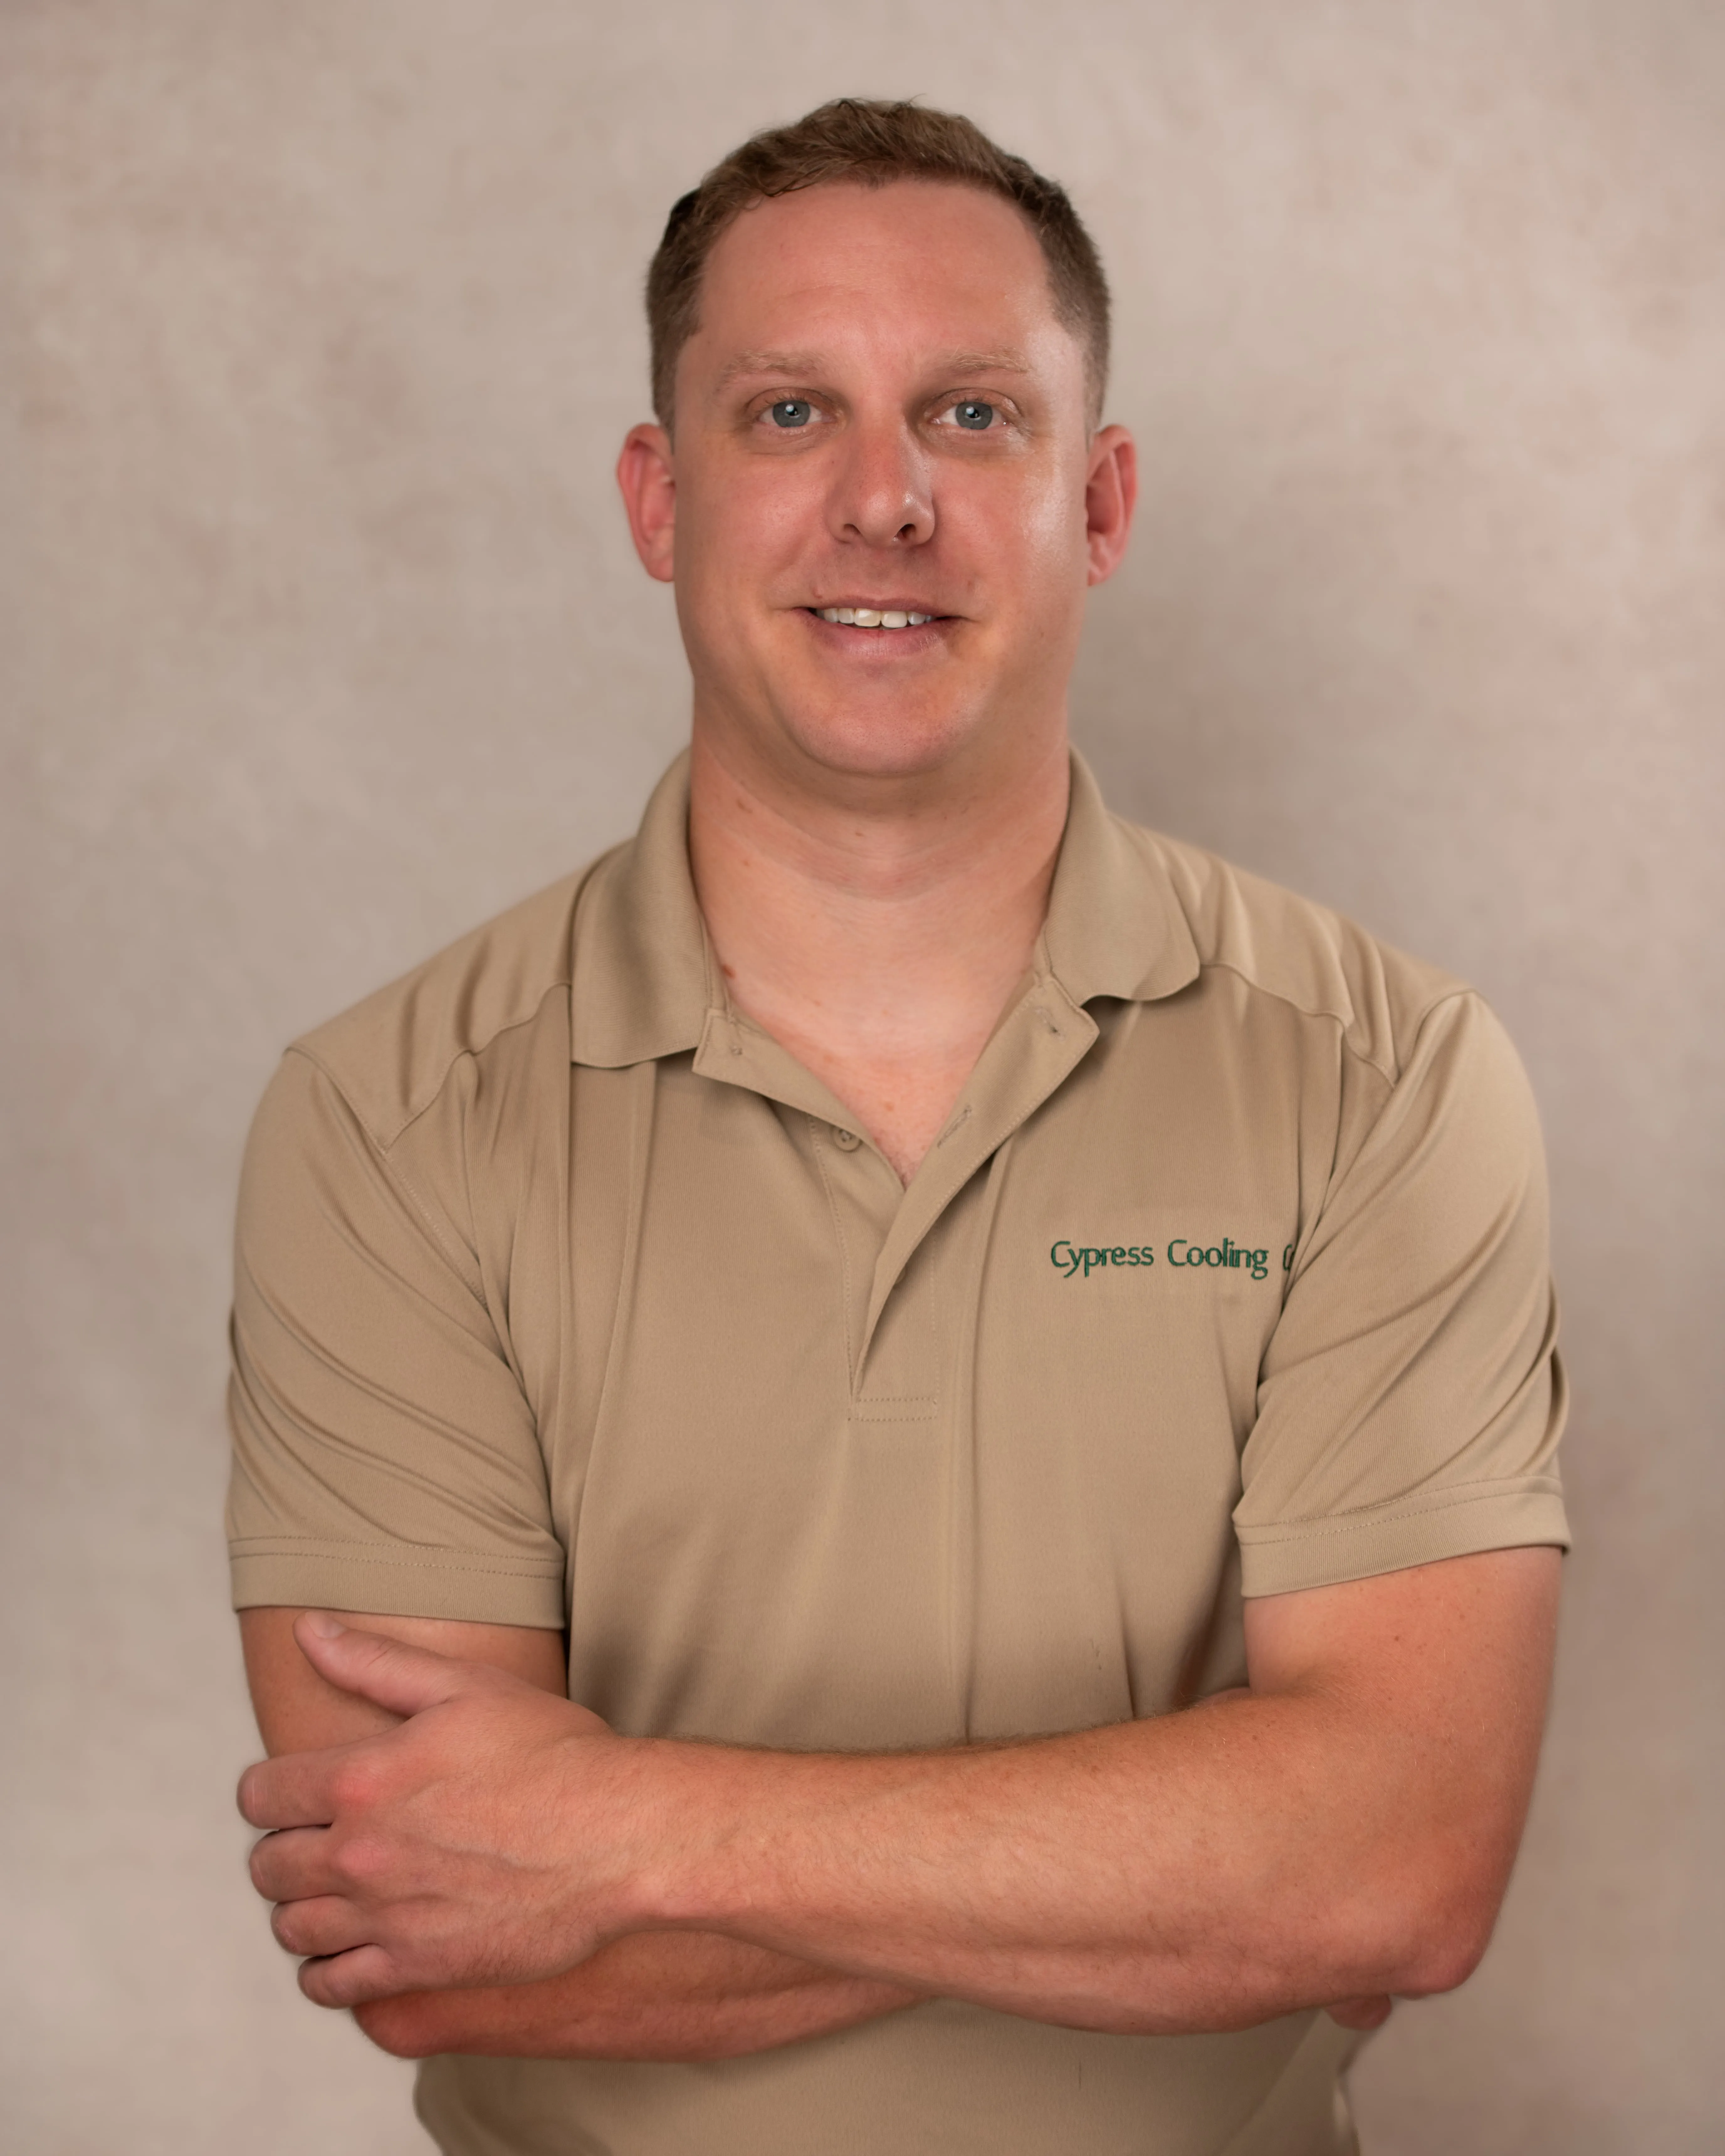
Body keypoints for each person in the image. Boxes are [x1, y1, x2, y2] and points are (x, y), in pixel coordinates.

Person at [228, 98, 1568, 2156]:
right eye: (786, 414)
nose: (883, 503)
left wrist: (632, 1828)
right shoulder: (387, 1126)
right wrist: (1203, 1864)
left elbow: (1400, 1868)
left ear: (1097, 501)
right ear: (655, 500)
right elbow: (446, 1938)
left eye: (971, 414)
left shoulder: (1385, 1076)